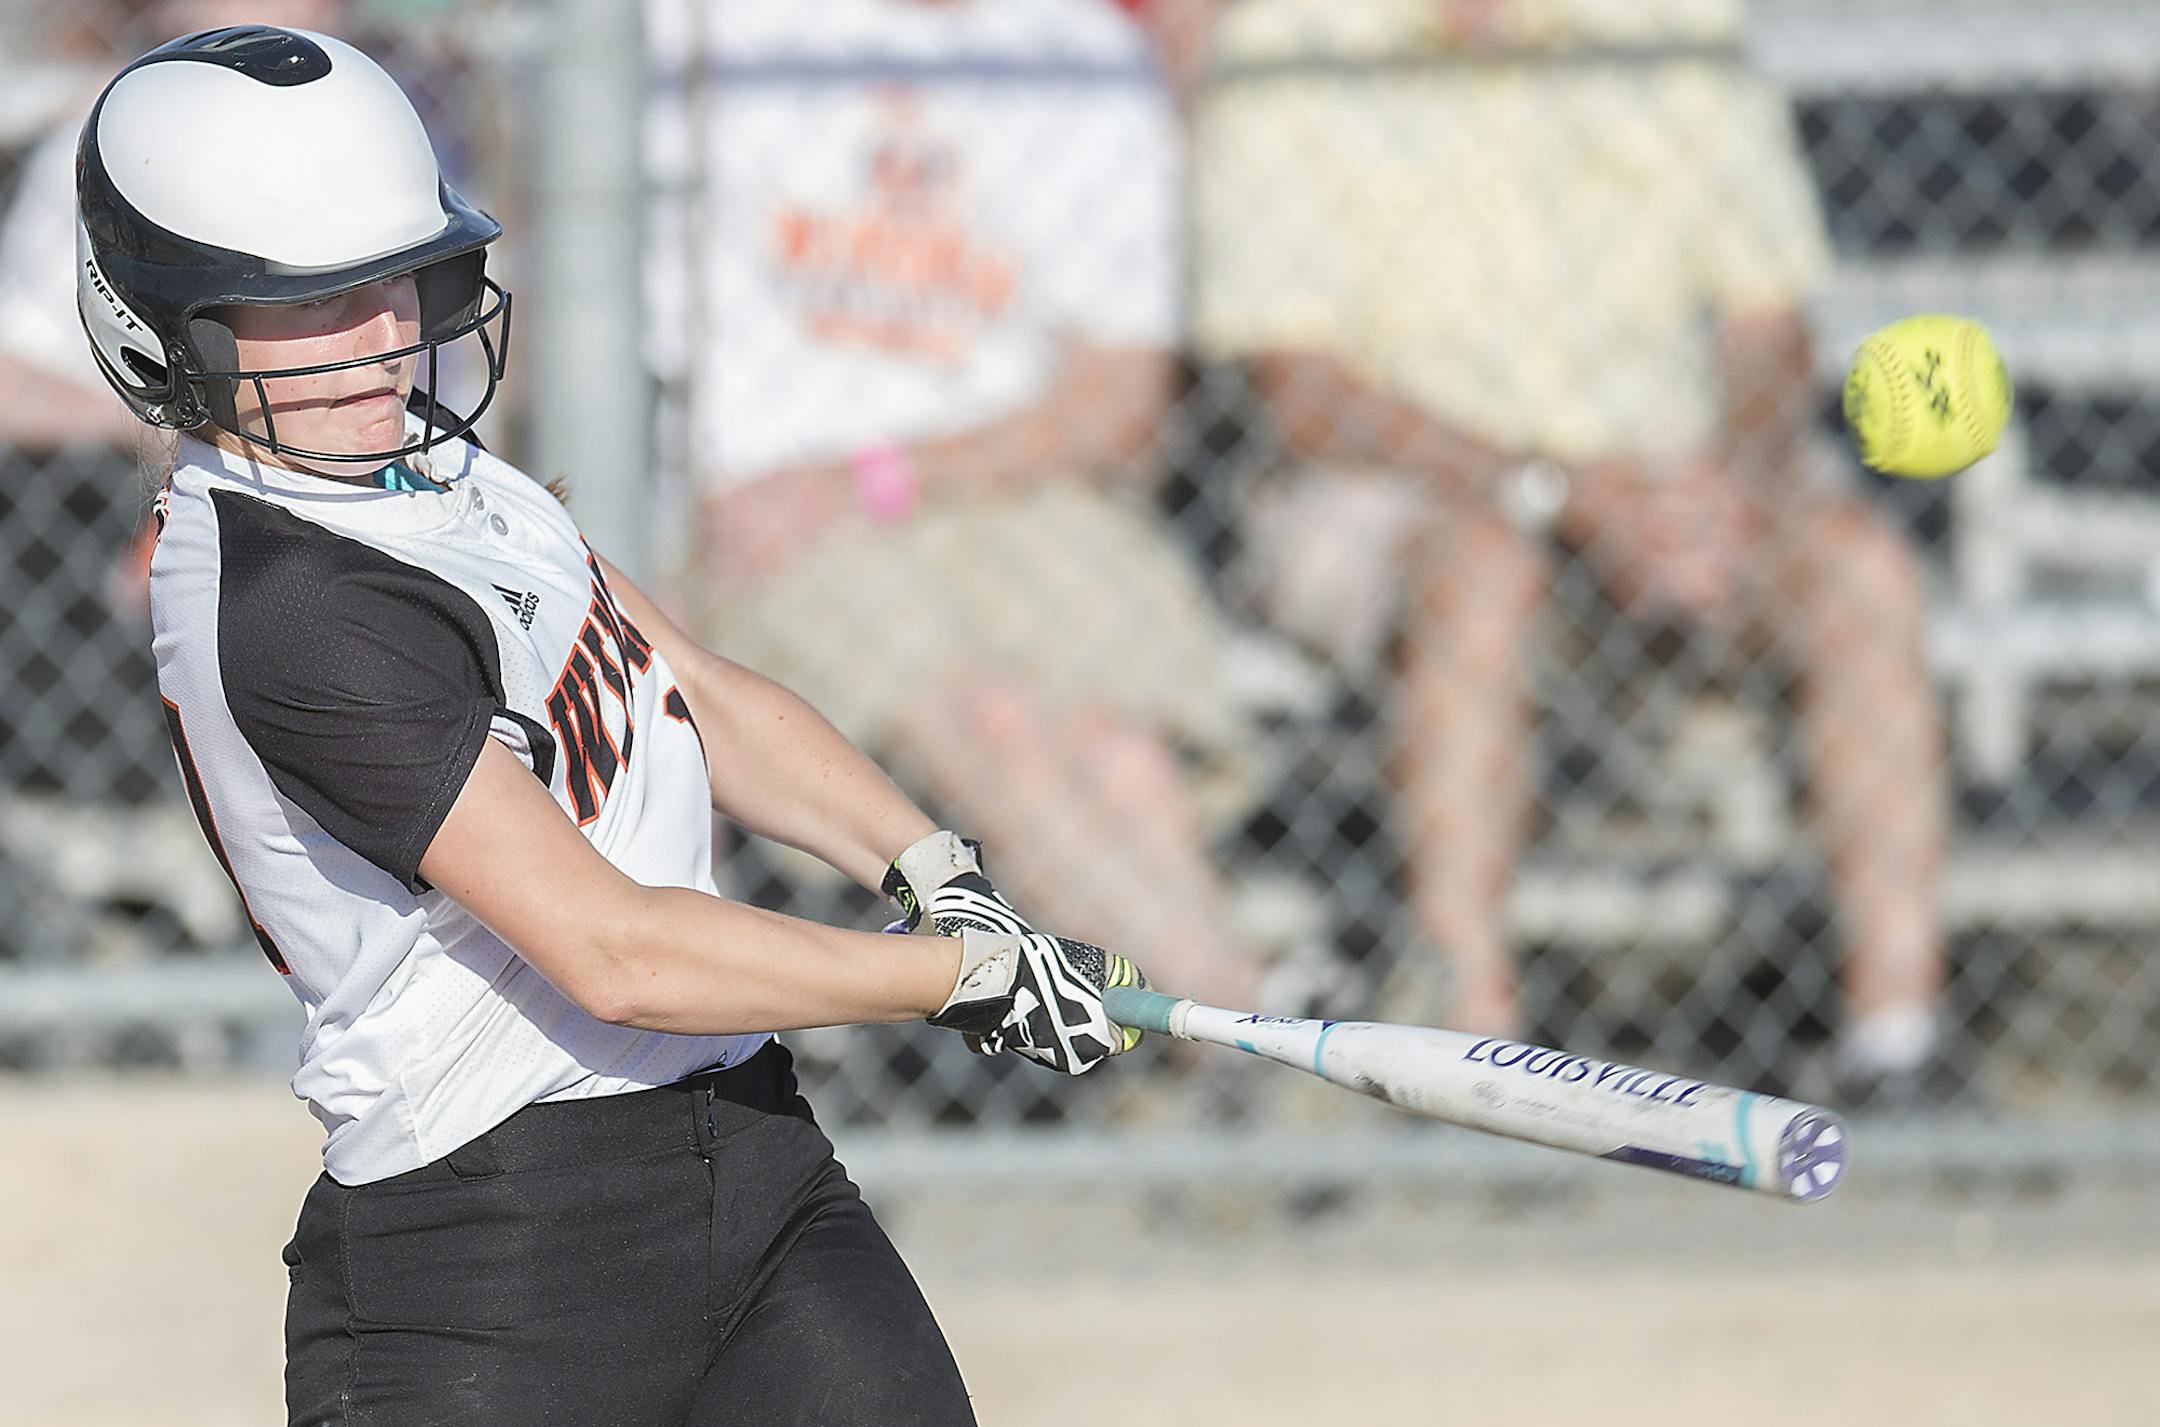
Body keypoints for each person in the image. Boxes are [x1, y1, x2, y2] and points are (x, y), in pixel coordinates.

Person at [85, 26, 1142, 1425]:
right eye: (305, 308)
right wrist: (949, 976)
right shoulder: (287, 605)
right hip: (493, 1265)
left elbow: (688, 684)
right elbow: (615, 950)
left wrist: (938, 870)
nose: (385, 337)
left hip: (756, 1173)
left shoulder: (438, 470)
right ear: (163, 332)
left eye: (398, 281)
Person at [1192, 0, 1954, 1104]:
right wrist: (1556, 487)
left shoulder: (1673, 23)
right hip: (1397, 486)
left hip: (1673, 479)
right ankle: (1477, 1044)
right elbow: (1299, 391)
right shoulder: (1291, 41)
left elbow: (1767, 326)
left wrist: (1724, 483)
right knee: (1483, 572)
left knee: (1858, 565)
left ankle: (1899, 1038)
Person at [648, 0, 1265, 1009]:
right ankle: (1228, 1018)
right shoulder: (710, 31)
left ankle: (1204, 1026)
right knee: (997, 720)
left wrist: (881, 476)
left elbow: (1119, 397)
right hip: (766, 502)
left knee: (1125, 751)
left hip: (996, 485)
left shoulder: (1077, 51)